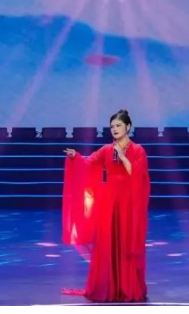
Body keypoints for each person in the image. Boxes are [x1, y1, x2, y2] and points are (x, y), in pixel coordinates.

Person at [62, 109, 151, 302]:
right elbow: (88, 164)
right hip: (109, 202)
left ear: (128, 126)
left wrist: (123, 156)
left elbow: (138, 174)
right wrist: (76, 157)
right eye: (112, 126)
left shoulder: (138, 150)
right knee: (107, 243)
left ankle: (127, 287)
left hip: (128, 202)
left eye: (118, 125)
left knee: (126, 241)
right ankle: (107, 286)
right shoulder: (106, 150)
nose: (115, 129)